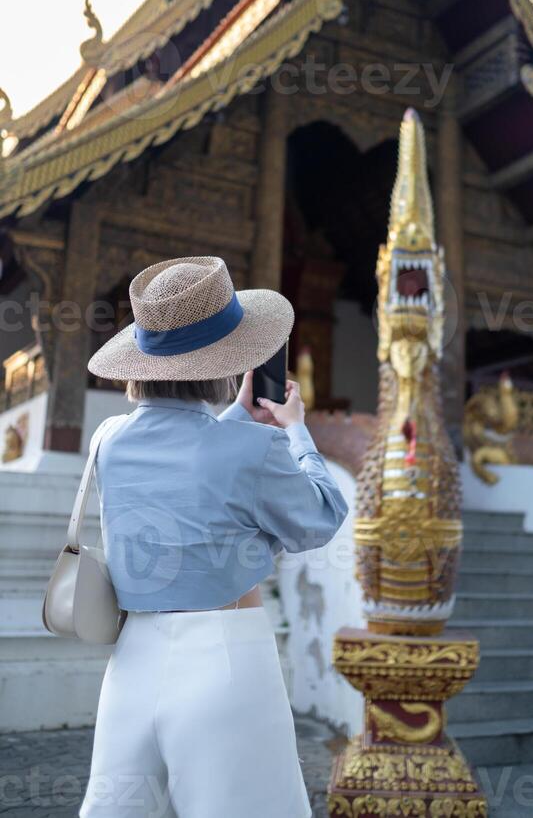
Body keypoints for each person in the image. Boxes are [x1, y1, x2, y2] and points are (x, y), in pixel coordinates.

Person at [79, 256, 348, 818]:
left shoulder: (108, 439)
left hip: (131, 660)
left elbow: (187, 459)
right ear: (228, 361)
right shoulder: (254, 451)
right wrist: (297, 430)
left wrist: (235, 420)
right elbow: (321, 516)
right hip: (226, 657)